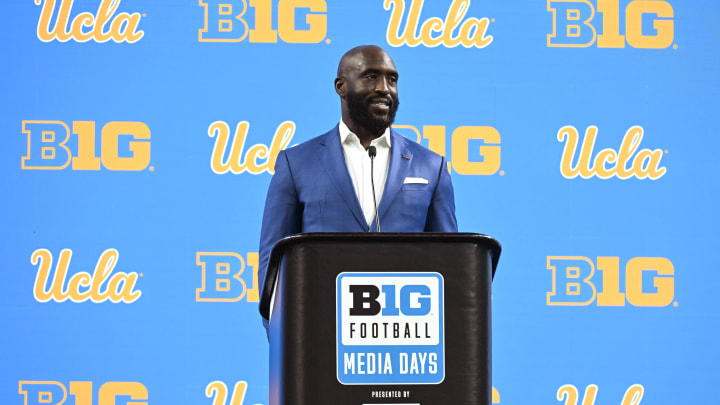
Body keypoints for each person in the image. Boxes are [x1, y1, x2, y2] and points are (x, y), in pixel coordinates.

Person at [258, 45, 458, 331]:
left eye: (392, 80)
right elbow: (272, 260)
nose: (384, 88)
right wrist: (282, 339)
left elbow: (450, 263)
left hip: (405, 340)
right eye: (371, 77)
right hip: (320, 337)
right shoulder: (296, 163)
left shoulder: (431, 166)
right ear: (341, 86)